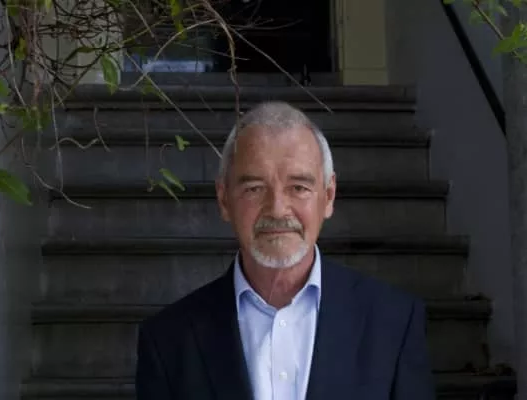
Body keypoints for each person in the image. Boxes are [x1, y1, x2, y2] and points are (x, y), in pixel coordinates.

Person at [134, 101, 436, 400]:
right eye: (254, 188)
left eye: (299, 187)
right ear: (224, 199)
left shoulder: (393, 323)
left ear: (329, 196)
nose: (277, 209)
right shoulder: (168, 341)